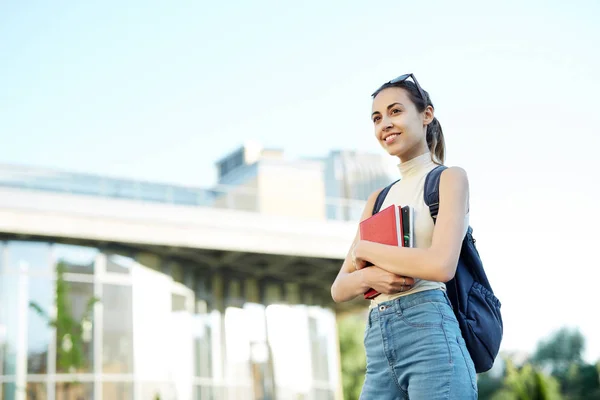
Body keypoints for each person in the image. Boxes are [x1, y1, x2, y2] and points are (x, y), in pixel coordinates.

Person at [330, 73, 478, 399]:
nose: (385, 124)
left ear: (426, 115)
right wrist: (372, 275)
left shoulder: (448, 179)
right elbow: (340, 288)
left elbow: (441, 265)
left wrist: (365, 250)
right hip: (378, 338)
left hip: (429, 329)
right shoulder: (378, 199)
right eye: (377, 118)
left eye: (395, 111)